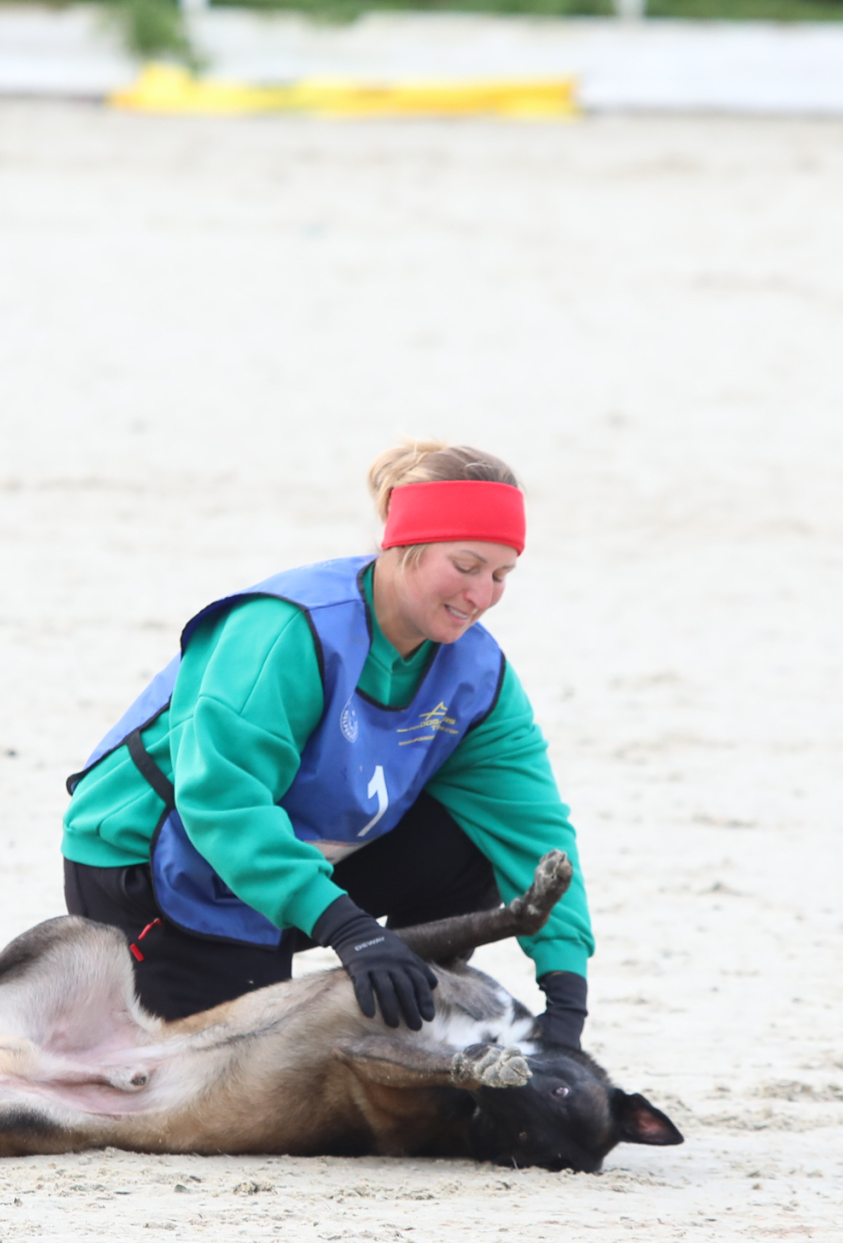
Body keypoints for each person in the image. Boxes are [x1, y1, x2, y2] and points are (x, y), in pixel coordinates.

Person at [62, 441, 594, 1043]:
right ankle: (350, 953)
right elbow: (219, 806)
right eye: (466, 567)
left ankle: (408, 993)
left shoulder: (479, 674)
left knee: (476, 835)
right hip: (162, 861)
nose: (482, 596)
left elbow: (532, 829)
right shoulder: (291, 628)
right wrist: (351, 929)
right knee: (235, 1073)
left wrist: (566, 1000)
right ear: (404, 547)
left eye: (501, 575)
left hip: (295, 860)